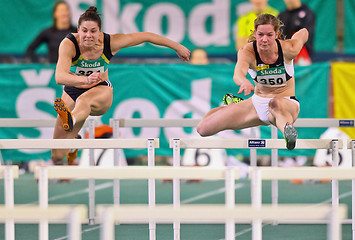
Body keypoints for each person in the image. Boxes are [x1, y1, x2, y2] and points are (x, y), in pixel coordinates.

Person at [52, 6, 190, 165]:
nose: (88, 36)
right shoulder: (69, 44)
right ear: (78, 30)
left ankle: (71, 119)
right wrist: (85, 80)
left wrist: (177, 46)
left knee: (84, 101)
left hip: (100, 89)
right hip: (73, 89)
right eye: (84, 31)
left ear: (100, 32)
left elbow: (145, 36)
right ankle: (74, 138)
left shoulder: (111, 42)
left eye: (93, 31)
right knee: (57, 154)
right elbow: (59, 77)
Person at [197, 14, 308, 150]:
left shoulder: (288, 49)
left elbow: (304, 33)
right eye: (260, 34)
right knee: (203, 129)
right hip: (257, 104)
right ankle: (232, 105)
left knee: (275, 104)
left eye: (269, 35)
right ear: (255, 33)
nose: (264, 40)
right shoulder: (247, 52)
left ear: (277, 34)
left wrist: (299, 34)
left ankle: (288, 131)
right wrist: (243, 82)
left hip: (286, 104)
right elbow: (238, 73)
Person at [278, 0, 315, 65]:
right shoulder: (281, 15)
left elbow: (306, 36)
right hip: (283, 56)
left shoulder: (308, 13)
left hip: (302, 56)